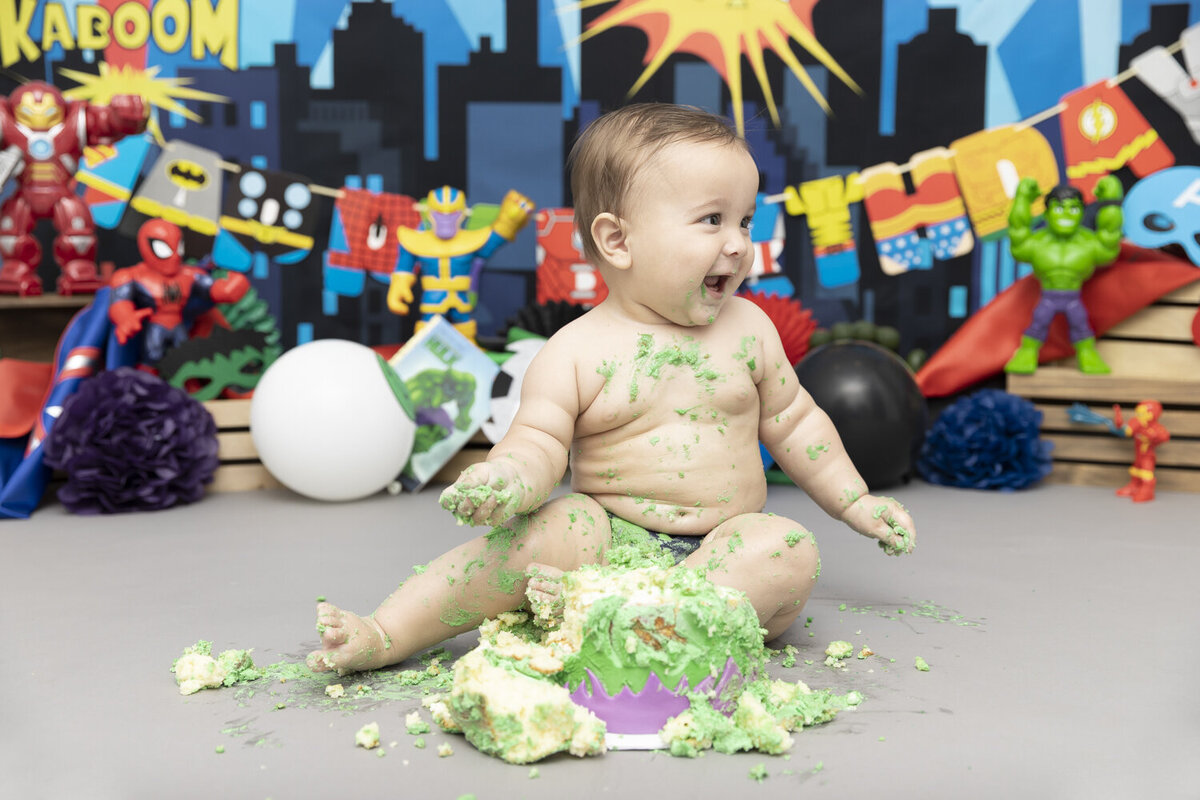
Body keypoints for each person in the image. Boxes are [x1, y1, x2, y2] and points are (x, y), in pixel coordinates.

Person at [309, 103, 916, 676]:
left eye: (745, 219)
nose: (737, 242)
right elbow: (538, 441)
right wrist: (509, 479)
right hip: (608, 541)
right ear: (618, 241)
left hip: (722, 555)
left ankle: (624, 618)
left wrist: (854, 502)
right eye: (712, 219)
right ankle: (388, 631)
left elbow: (797, 423)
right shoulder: (575, 351)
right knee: (548, 529)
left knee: (784, 546)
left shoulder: (750, 331)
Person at [1003, 177, 1124, 374]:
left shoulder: (1089, 243)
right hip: (1048, 296)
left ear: (1082, 213)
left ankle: (1087, 355)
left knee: (1080, 324)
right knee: (1038, 322)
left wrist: (1110, 202)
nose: (1066, 214)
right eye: (1059, 208)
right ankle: (1027, 353)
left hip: (1073, 297)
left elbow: (1110, 239)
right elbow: (1018, 232)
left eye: (1073, 209)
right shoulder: (1036, 243)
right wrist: (1023, 199)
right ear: (1047, 214)